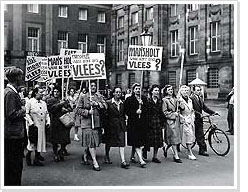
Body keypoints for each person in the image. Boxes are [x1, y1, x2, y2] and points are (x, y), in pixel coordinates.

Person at [75, 81, 107, 171]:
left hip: (96, 123)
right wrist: (87, 112)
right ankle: (94, 161)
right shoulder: (83, 97)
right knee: (91, 141)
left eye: (94, 86)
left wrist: (98, 104)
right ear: (88, 87)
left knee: (92, 142)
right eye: (91, 85)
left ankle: (85, 155)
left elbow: (105, 106)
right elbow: (77, 109)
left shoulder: (99, 96)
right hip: (87, 123)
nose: (93, 87)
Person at [4, 68, 26, 186]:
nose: (22, 79)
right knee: (14, 166)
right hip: (13, 134)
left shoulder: (10, 92)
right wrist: (22, 110)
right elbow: (11, 114)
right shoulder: (10, 93)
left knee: (12, 165)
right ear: (16, 78)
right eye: (20, 77)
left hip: (12, 133)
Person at [104, 86, 130, 169]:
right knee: (109, 142)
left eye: (120, 92)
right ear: (113, 93)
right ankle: (106, 155)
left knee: (121, 142)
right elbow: (105, 114)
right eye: (117, 92)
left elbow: (126, 113)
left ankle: (123, 161)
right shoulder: (108, 102)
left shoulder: (123, 103)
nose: (118, 93)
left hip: (121, 125)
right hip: (110, 125)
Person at [124, 83, 148, 168]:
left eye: (139, 88)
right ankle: (141, 160)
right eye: (136, 89)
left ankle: (132, 156)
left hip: (141, 123)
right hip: (133, 124)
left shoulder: (144, 98)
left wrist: (143, 105)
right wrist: (135, 112)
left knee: (137, 141)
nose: (138, 90)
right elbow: (126, 110)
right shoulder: (129, 99)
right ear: (133, 90)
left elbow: (147, 110)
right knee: (137, 142)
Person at [190, 85, 219, 156]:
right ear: (193, 91)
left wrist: (213, 112)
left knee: (200, 134)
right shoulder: (191, 98)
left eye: (200, 90)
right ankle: (202, 150)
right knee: (199, 134)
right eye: (197, 90)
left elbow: (205, 108)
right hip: (194, 118)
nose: (199, 91)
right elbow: (191, 109)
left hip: (199, 119)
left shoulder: (200, 98)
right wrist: (199, 114)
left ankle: (202, 148)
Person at [47, 86, 73, 162]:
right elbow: (51, 109)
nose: (56, 93)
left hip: (63, 122)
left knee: (64, 140)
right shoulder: (50, 100)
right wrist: (60, 105)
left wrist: (66, 109)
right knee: (54, 141)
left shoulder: (63, 100)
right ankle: (55, 154)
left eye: (57, 92)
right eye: (54, 91)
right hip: (55, 122)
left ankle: (61, 151)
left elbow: (70, 109)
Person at [25, 87, 50, 166]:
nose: (42, 94)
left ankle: (36, 158)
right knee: (33, 142)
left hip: (42, 125)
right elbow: (26, 113)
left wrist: (48, 121)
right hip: (34, 125)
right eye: (40, 92)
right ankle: (28, 155)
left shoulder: (43, 103)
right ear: (35, 93)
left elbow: (47, 113)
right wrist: (31, 122)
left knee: (40, 141)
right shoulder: (30, 102)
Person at [162, 85, 182, 163]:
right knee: (173, 138)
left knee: (175, 138)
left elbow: (180, 109)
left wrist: (180, 103)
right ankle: (176, 156)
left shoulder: (175, 99)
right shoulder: (165, 100)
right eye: (169, 89)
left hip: (176, 121)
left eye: (171, 89)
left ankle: (166, 147)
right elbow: (165, 112)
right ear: (166, 91)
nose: (171, 90)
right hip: (169, 122)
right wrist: (173, 115)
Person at [145, 84, 164, 163]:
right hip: (149, 121)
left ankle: (155, 156)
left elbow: (161, 112)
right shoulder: (147, 100)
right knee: (148, 139)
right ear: (152, 91)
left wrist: (162, 122)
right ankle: (144, 151)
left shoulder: (160, 101)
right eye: (155, 90)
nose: (157, 92)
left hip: (157, 122)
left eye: (158, 91)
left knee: (157, 141)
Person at [178, 85, 196, 160]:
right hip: (183, 120)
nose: (186, 92)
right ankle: (190, 153)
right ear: (181, 92)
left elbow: (192, 110)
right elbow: (178, 111)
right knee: (183, 136)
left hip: (190, 120)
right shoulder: (179, 100)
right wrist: (182, 118)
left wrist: (193, 116)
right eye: (184, 91)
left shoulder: (190, 100)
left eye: (187, 91)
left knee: (190, 136)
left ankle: (168, 147)